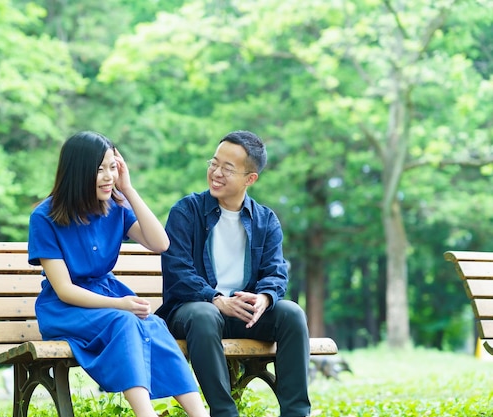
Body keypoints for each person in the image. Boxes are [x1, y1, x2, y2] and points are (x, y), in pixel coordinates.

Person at [28, 131, 208, 417]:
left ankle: (200, 414)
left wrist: (130, 190)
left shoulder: (116, 207)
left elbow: (160, 243)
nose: (109, 176)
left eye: (113, 167)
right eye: (99, 169)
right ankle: (144, 413)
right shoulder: (44, 217)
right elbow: (64, 290)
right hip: (66, 309)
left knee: (154, 325)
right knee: (125, 321)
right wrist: (119, 304)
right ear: (78, 171)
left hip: (107, 298)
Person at [157, 130, 311, 417]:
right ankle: (224, 413)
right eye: (213, 163)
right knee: (204, 315)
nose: (216, 172)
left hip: (244, 315)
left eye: (227, 168)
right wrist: (215, 299)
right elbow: (178, 270)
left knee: (291, 313)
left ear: (250, 178)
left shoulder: (265, 220)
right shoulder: (186, 211)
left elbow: (276, 271)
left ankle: (296, 413)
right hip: (193, 314)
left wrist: (264, 298)